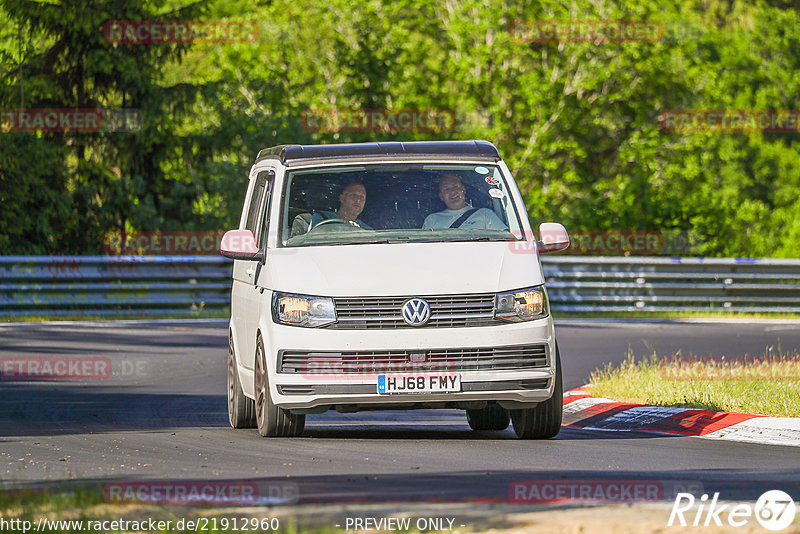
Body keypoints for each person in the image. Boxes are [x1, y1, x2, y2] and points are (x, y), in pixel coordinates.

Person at [422, 174, 507, 230]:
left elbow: (506, 239)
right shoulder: (432, 220)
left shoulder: (485, 214)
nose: (452, 192)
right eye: (446, 189)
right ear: (441, 197)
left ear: (463, 190)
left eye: (455, 187)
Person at [308, 180, 373, 230]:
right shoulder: (322, 218)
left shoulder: (367, 230)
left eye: (361, 197)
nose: (358, 200)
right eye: (353, 195)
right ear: (341, 198)